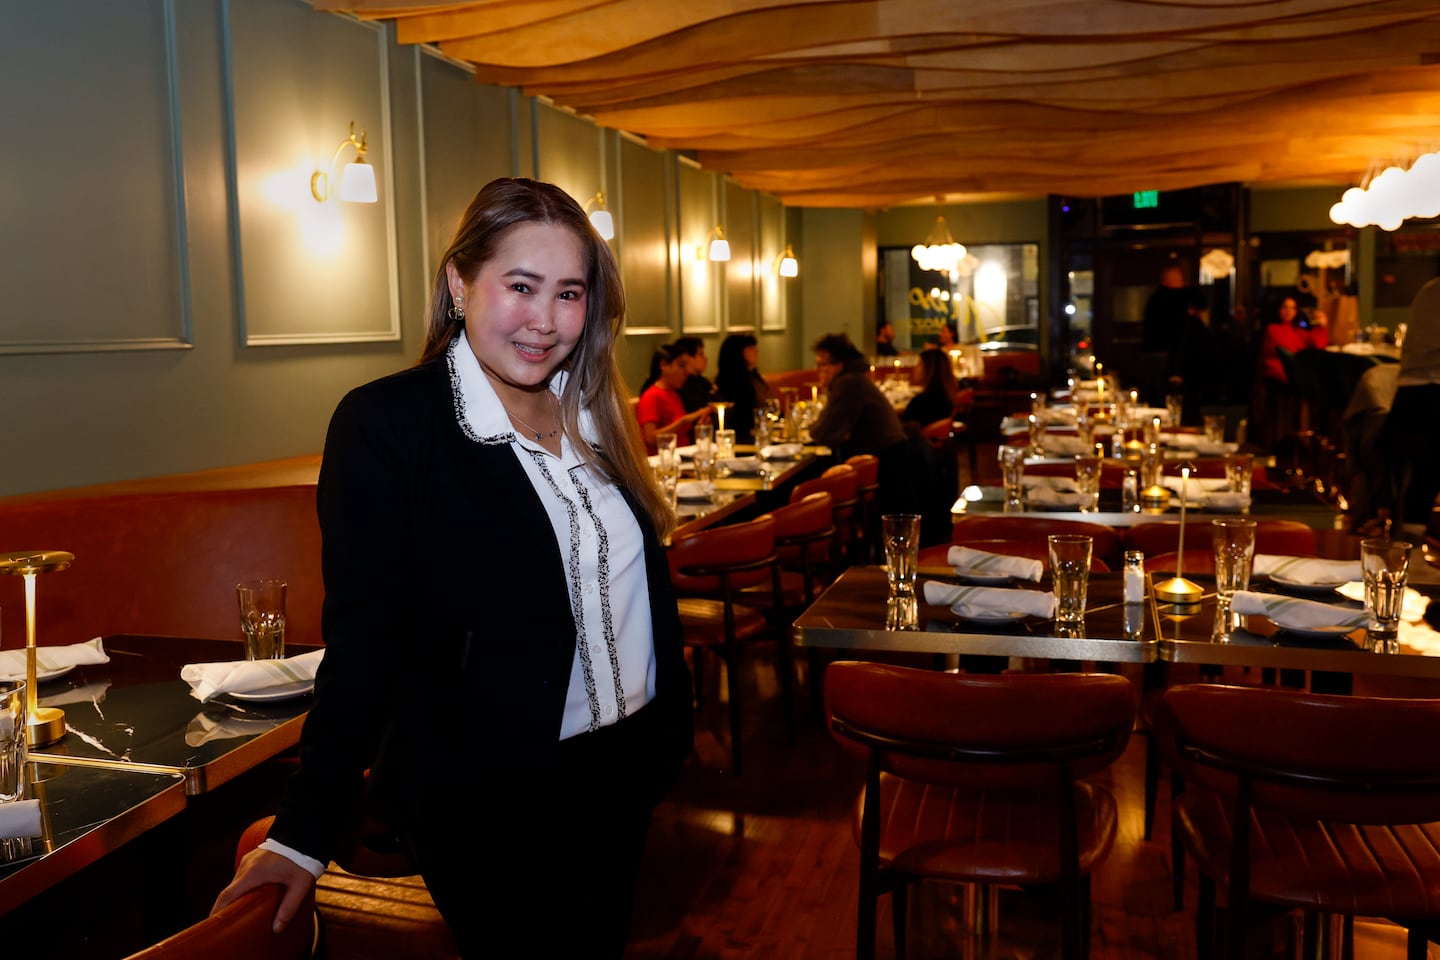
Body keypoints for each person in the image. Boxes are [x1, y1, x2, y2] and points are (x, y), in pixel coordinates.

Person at [212, 178, 694, 958]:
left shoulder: (593, 409)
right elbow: (364, 641)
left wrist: (664, 738)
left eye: (569, 293)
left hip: (622, 774)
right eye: (521, 286)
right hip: (492, 797)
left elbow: (637, 590)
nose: (546, 320)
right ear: (459, 283)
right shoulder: (390, 424)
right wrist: (301, 834)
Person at [809, 333, 931, 535]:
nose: (818, 370)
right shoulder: (855, 379)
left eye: (822, 364)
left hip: (888, 465)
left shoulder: (848, 383)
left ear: (838, 365)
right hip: (892, 457)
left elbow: (824, 433)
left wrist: (828, 430)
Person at [1379, 276, 1440, 531]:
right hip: (1431, 393)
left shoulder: (1429, 289)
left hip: (1408, 394)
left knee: (1420, 473)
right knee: (1428, 471)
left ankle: (1408, 541)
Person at [637, 343, 710, 451]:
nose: (686, 372)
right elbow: (650, 438)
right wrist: (683, 421)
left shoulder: (674, 393)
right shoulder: (651, 396)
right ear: (664, 365)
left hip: (682, 453)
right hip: (663, 457)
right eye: (681, 366)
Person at [714, 331, 771, 444]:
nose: (757, 350)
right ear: (738, 352)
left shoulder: (754, 376)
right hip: (745, 439)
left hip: (762, 431)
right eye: (751, 347)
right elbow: (742, 420)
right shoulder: (731, 382)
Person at [901, 347, 959, 428]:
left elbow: (901, 429)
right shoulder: (944, 396)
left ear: (929, 369)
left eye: (919, 364)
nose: (915, 367)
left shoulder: (922, 402)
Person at [672, 336, 717, 412]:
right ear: (687, 357)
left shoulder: (703, 382)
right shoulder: (681, 385)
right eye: (701, 354)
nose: (705, 359)